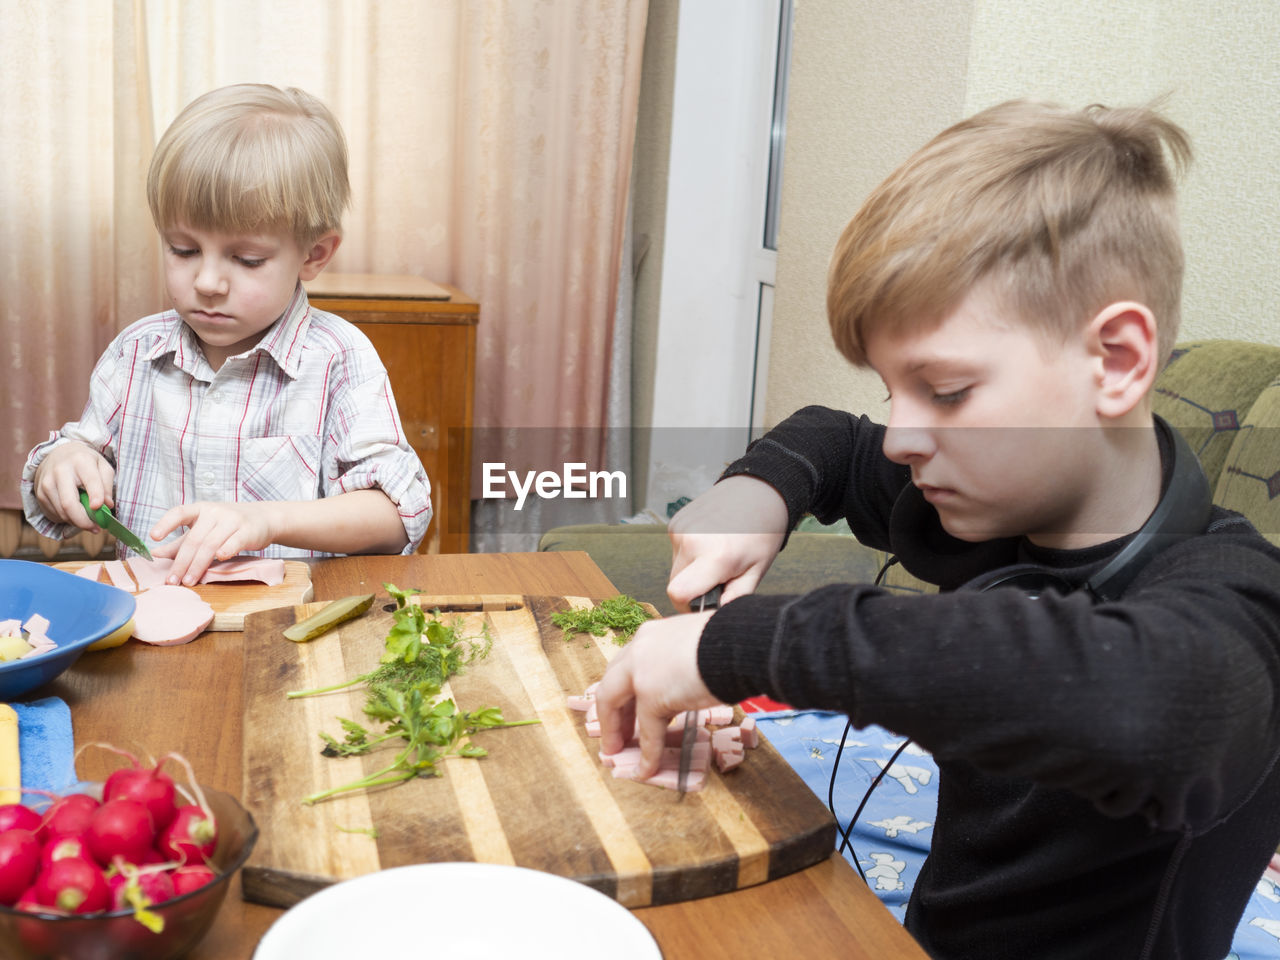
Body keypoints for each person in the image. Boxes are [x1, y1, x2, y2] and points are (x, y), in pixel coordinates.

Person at [595, 99, 1280, 959]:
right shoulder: (990, 508)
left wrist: (733, 645)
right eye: (892, 389)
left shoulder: (1239, 595)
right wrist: (755, 492)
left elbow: (1166, 707)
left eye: (947, 391)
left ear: (1116, 362)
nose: (901, 436)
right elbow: (833, 440)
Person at [21, 83, 431, 584]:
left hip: (285, 633)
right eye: (183, 249)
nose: (207, 282)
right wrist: (61, 466)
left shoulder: (339, 358)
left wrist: (265, 519)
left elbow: (395, 514)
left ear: (313, 254)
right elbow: (78, 457)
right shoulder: (135, 354)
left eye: (246, 259)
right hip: (152, 622)